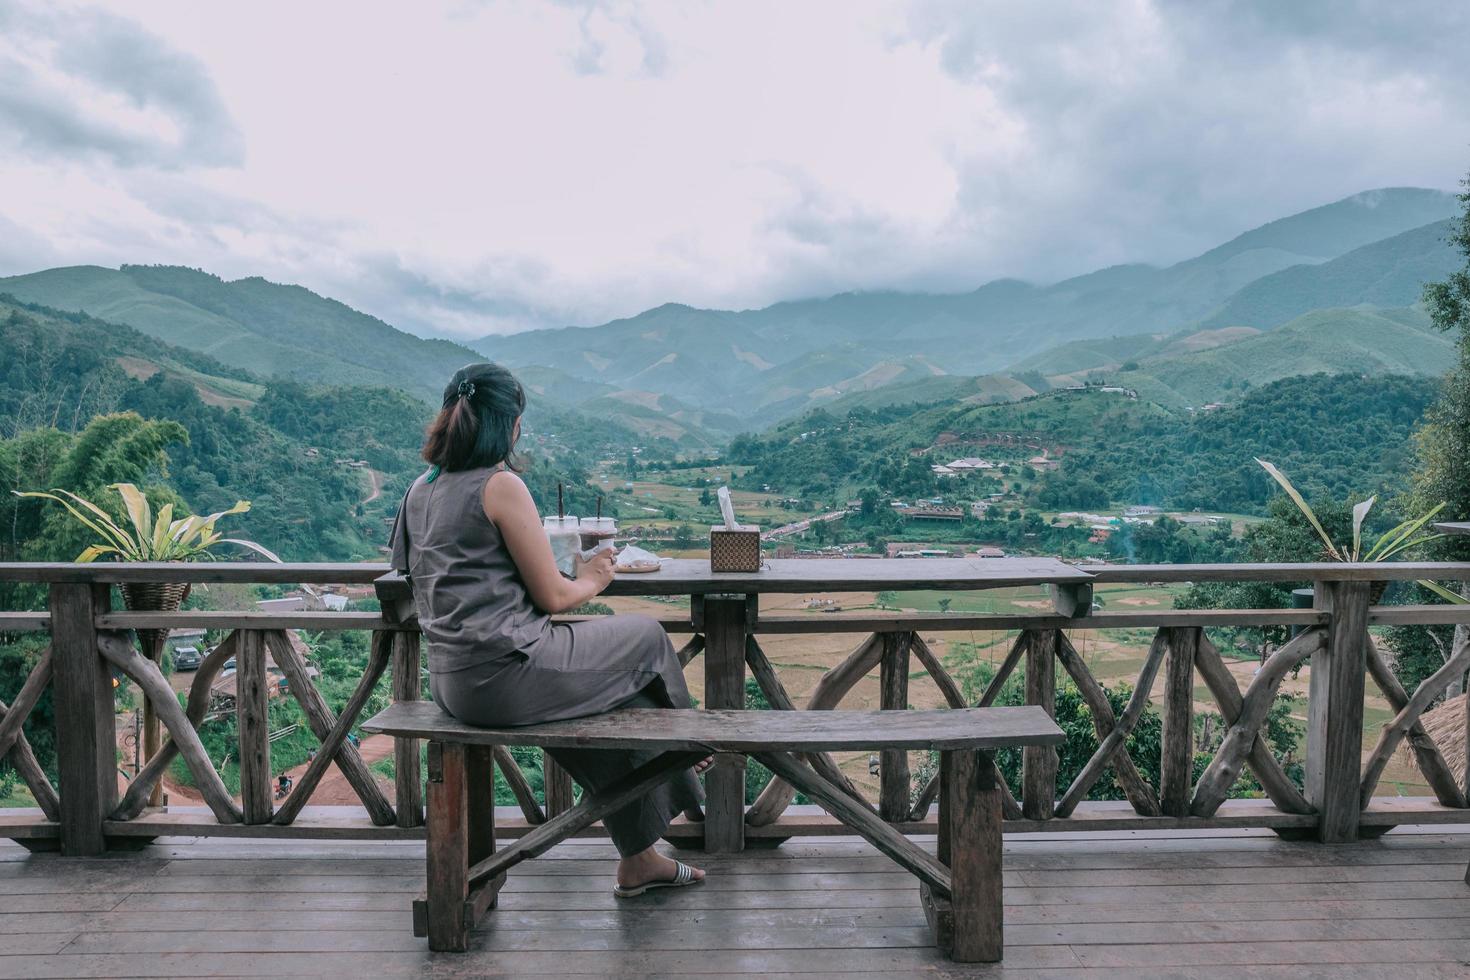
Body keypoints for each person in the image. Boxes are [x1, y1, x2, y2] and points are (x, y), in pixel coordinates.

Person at [388, 363, 708, 897]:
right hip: (506, 674)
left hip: (450, 682)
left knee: (622, 705)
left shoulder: (419, 489)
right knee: (648, 636)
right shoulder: (501, 484)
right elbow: (554, 598)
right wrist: (594, 576)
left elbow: (422, 571)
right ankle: (692, 742)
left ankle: (640, 858)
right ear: (508, 425)